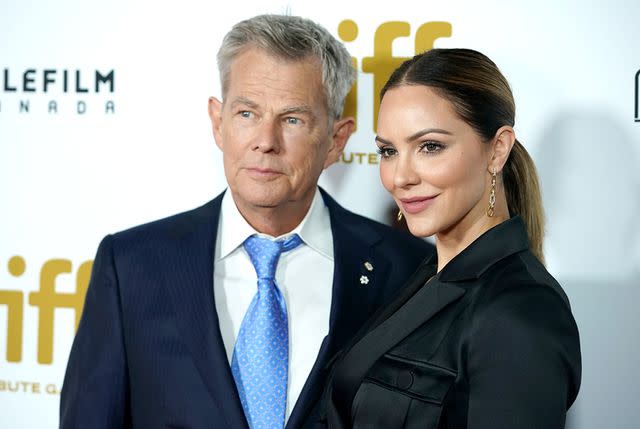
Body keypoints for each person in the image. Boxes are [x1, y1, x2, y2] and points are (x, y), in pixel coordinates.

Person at [59, 14, 433, 429]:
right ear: (218, 123)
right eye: (247, 114)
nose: (265, 141)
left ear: (336, 140)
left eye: (292, 119)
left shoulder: (409, 271)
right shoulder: (131, 265)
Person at [324, 48, 581, 428]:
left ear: (497, 150)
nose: (400, 177)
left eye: (430, 146)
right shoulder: (426, 275)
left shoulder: (519, 311)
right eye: (389, 151)